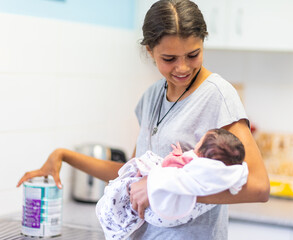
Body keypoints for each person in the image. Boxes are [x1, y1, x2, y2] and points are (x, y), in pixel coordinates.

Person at [17, 0, 270, 239]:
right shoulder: (151, 96)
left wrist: (164, 186)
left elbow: (258, 187)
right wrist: (64, 155)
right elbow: (132, 176)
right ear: (149, 50)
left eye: (193, 55)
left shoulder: (217, 95)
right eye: (169, 59)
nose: (182, 68)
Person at [96, 128, 249, 240]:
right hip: (170, 216)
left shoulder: (195, 162)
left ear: (202, 153)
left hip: (156, 207)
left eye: (200, 142)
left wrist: (175, 156)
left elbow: (170, 166)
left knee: (146, 163)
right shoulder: (221, 177)